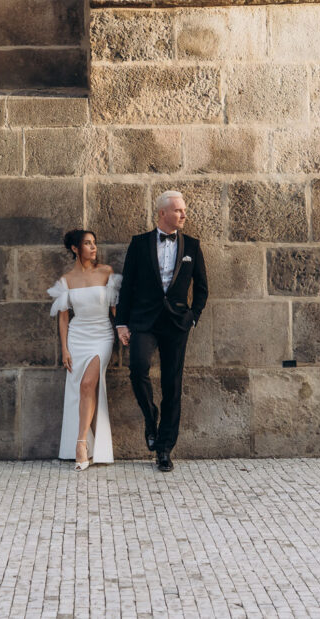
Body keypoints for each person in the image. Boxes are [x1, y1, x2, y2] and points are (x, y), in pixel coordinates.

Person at [116, 190, 208, 472]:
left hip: (177, 324)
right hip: (144, 321)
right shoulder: (140, 243)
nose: (184, 215)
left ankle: (165, 448)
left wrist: (192, 317)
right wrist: (121, 322)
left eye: (184, 210)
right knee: (138, 367)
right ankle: (150, 415)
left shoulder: (192, 245)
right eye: (179, 210)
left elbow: (202, 288)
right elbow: (127, 284)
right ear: (162, 213)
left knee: (172, 385)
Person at [47, 229, 121, 471]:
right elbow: (64, 320)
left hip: (102, 336)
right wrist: (65, 350)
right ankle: (82, 443)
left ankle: (81, 444)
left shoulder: (106, 272)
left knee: (87, 384)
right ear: (75, 249)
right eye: (87, 244)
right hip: (78, 338)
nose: (93, 247)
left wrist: (123, 330)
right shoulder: (66, 280)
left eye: (94, 243)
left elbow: (114, 310)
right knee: (80, 389)